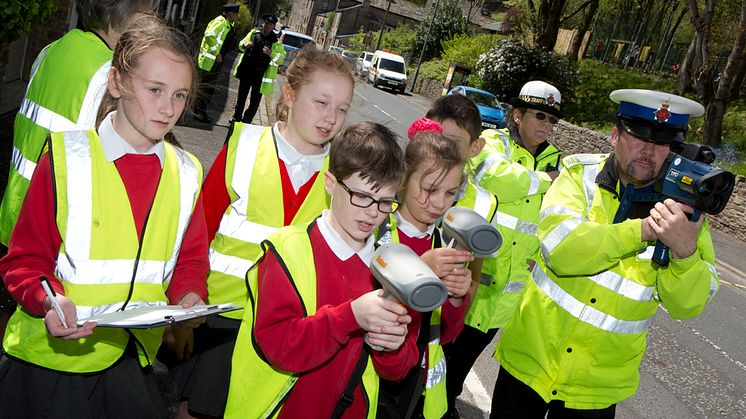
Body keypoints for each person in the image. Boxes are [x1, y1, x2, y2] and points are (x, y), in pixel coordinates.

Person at [0, 16, 208, 417]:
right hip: (50, 364)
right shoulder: (65, 158)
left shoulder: (187, 173)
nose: (168, 108)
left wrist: (189, 296)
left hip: (130, 363)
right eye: (155, 90)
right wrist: (49, 299)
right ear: (116, 83)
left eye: (180, 95)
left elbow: (191, 260)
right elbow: (24, 260)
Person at [491, 89, 719, 417]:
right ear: (614, 136)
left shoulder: (686, 212)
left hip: (596, 391)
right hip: (528, 364)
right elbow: (561, 252)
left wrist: (684, 253)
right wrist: (643, 231)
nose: (648, 151)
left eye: (662, 143)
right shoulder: (577, 174)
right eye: (639, 137)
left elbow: (687, 305)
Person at [159, 47, 354, 418]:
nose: (331, 118)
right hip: (220, 317)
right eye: (322, 102)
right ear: (291, 95)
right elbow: (196, 234)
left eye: (342, 108)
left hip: (290, 329)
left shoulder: (343, 175)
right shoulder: (243, 146)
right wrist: (183, 305)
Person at [225, 121, 419, 418]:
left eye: (385, 202)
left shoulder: (391, 266)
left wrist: (392, 348)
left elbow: (400, 368)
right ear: (330, 182)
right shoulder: (288, 250)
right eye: (362, 196)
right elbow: (278, 346)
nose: (372, 212)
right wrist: (350, 316)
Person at [442, 80, 563, 418]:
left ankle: (444, 403)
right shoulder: (492, 143)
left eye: (552, 120)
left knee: (466, 357)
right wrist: (543, 181)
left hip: (508, 289)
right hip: (469, 275)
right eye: (539, 115)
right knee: (442, 349)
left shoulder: (556, 160)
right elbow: (497, 177)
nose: (546, 125)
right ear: (517, 114)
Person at [0, 0, 156, 247]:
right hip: (55, 232)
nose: (153, 22)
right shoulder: (113, 75)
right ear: (129, 14)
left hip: (16, 213)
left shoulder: (50, 51)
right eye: (149, 12)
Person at [376, 120, 476, 419]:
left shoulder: (446, 241)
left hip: (418, 390)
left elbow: (446, 333)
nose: (438, 203)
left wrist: (458, 298)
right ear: (405, 178)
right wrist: (420, 270)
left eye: (450, 194)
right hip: (374, 381)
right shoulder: (376, 230)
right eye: (430, 189)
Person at [193, 2, 240, 123]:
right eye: (236, 13)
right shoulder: (220, 22)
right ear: (230, 13)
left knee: (208, 88)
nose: (237, 16)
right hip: (210, 61)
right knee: (205, 88)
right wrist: (216, 53)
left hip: (215, 62)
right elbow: (209, 36)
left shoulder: (228, 24)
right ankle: (198, 113)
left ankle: (200, 112)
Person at [231, 14, 279, 124]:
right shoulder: (254, 33)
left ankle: (247, 120)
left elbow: (280, 59)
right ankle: (236, 117)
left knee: (255, 101)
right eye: (266, 23)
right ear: (263, 23)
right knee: (241, 96)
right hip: (247, 70)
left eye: (270, 24)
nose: (267, 26)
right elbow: (240, 44)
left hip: (260, 75)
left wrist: (272, 53)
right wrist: (245, 45)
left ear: (273, 27)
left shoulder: (275, 41)